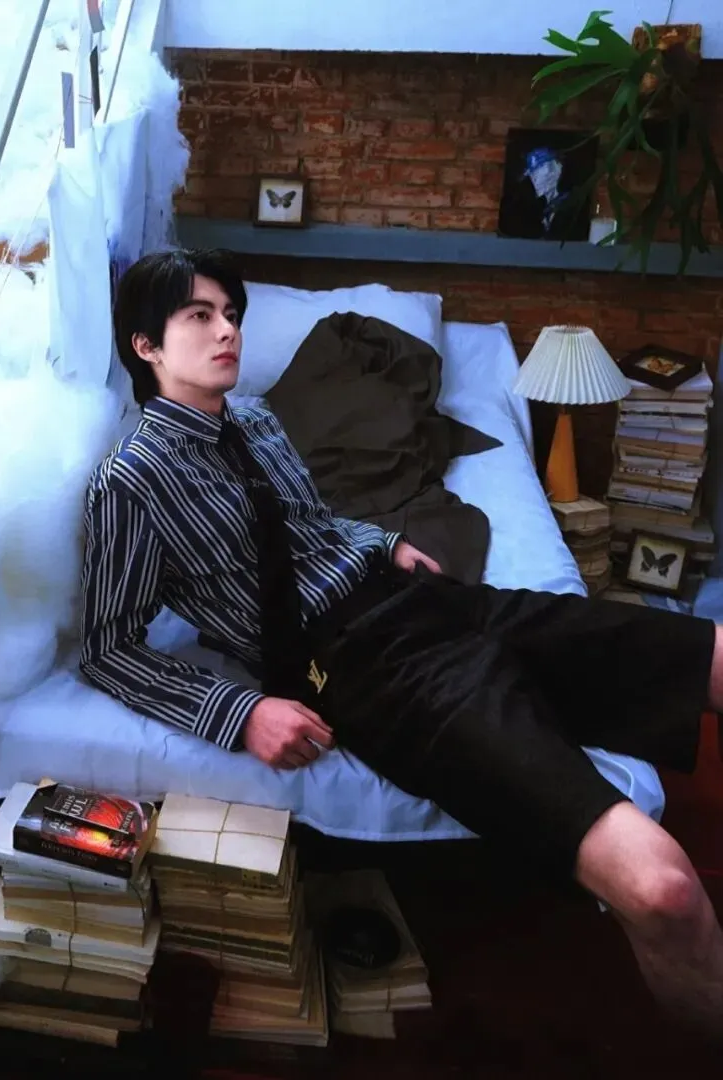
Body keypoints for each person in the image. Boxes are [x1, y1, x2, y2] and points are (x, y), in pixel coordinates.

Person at [78, 247, 723, 1037]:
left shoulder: (255, 422)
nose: (228, 332)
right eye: (200, 316)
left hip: (433, 601)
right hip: (363, 663)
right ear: (145, 344)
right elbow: (107, 648)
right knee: (665, 890)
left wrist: (385, 544)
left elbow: (311, 526)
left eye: (233, 314)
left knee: (706, 654)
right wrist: (239, 713)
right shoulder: (130, 482)